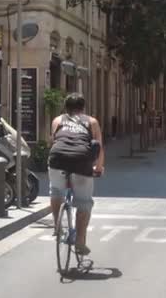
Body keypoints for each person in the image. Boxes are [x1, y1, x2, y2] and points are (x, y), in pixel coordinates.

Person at [49, 93, 105, 256]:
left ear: (65, 108)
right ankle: (80, 240)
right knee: (84, 202)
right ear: (83, 108)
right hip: (81, 161)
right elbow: (99, 147)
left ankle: (57, 227)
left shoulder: (58, 120)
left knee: (56, 191)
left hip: (57, 159)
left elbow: (53, 141)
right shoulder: (92, 122)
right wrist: (99, 168)